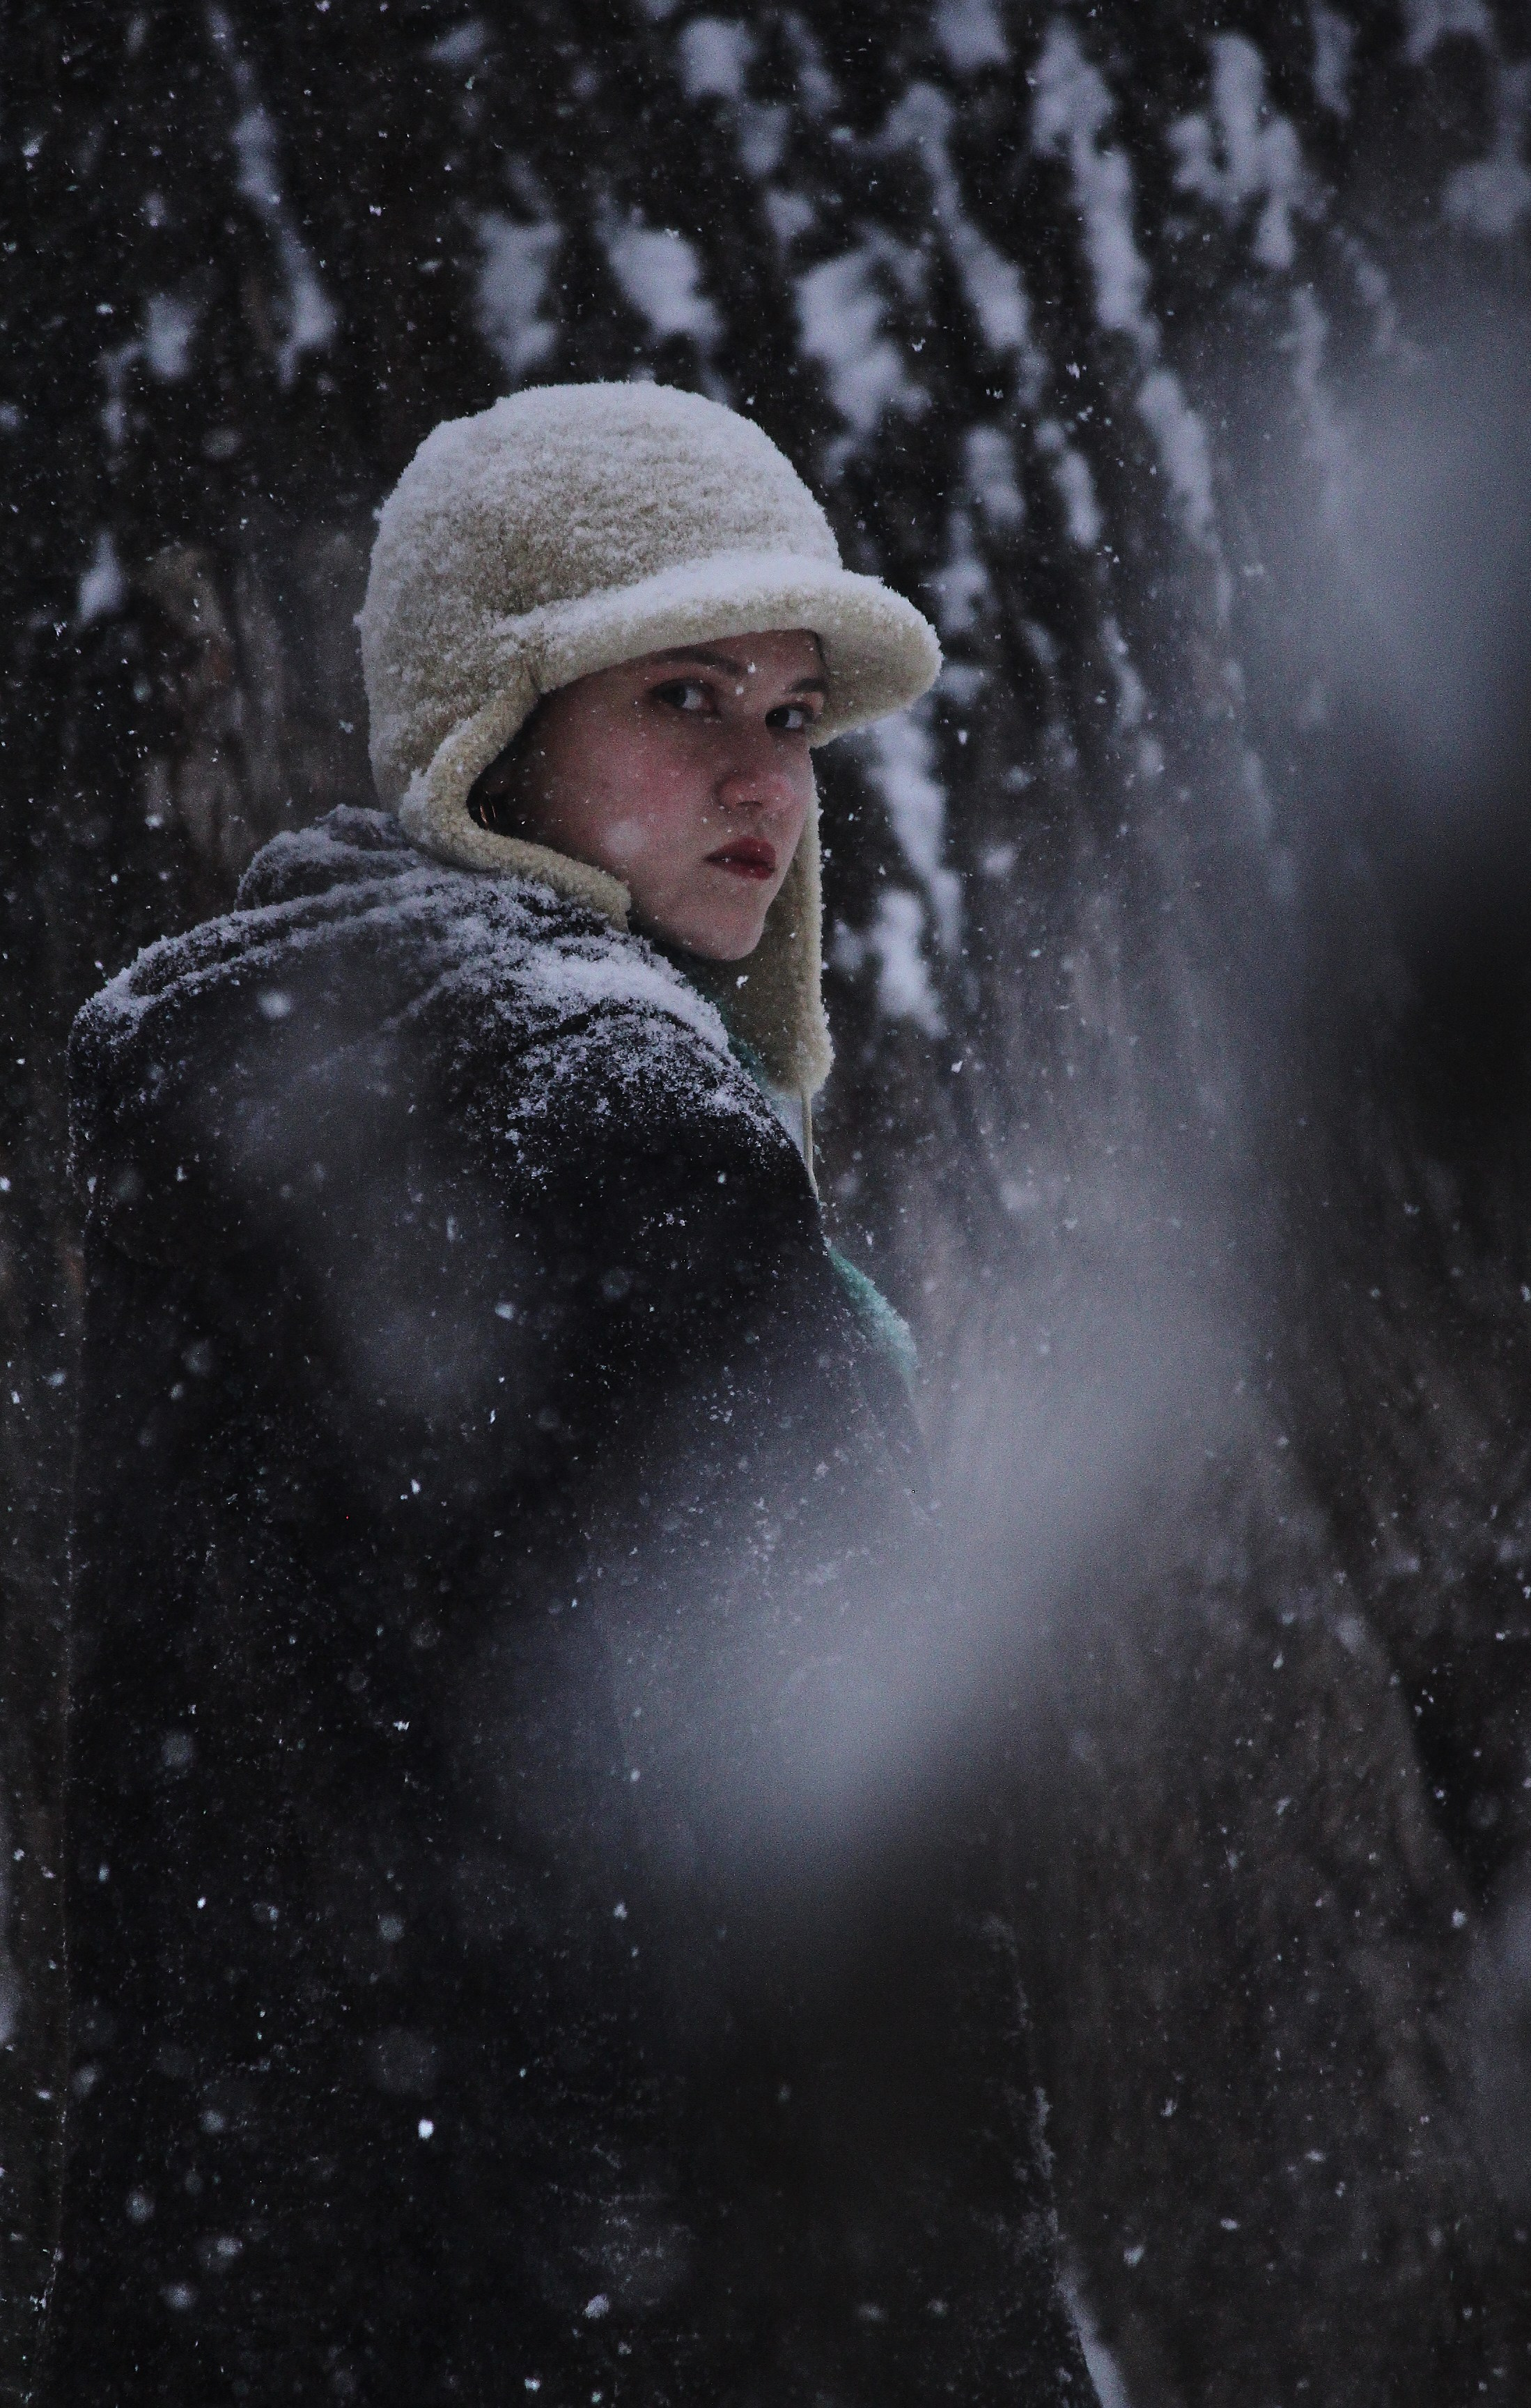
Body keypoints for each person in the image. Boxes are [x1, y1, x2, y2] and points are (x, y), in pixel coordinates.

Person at [50, 385, 1091, 2404]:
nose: (763, 783)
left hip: (278, 2297)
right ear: (490, 739)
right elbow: (842, 1923)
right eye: (683, 698)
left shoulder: (278, 1091)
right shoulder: (614, 1114)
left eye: (790, 719)